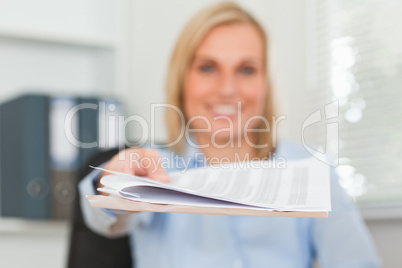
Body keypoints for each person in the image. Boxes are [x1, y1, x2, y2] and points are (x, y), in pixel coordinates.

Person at [79, 2, 381, 267]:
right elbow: (108, 217)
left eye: (246, 70)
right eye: (208, 68)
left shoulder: (311, 170)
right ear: (182, 79)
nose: (227, 88)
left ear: (267, 84)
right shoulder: (155, 169)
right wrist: (113, 182)